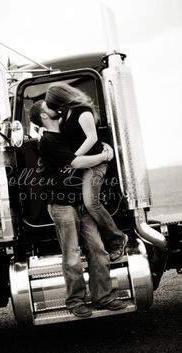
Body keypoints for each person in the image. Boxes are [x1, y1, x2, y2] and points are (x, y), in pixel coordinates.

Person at [29, 101, 127, 318]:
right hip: (62, 204)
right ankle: (75, 301)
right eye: (49, 105)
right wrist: (104, 156)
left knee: (97, 249)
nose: (56, 106)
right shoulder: (47, 141)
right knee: (72, 255)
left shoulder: (64, 133)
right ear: (44, 116)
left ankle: (104, 297)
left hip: (81, 203)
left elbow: (87, 140)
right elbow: (76, 162)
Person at [44, 83, 128, 261]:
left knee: (91, 203)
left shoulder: (83, 112)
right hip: (82, 165)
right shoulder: (65, 114)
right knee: (85, 205)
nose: (55, 108)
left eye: (55, 104)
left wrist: (74, 158)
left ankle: (117, 239)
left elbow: (92, 138)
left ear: (61, 99)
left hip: (95, 164)